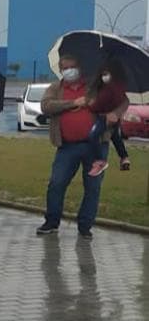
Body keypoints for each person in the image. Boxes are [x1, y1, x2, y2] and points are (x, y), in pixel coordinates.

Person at [37, 55, 128, 240]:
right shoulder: (56, 88)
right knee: (57, 183)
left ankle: (85, 226)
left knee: (93, 187)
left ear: (79, 67)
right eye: (65, 68)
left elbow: (123, 100)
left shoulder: (94, 86)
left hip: (96, 147)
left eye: (72, 67)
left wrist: (115, 113)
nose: (69, 71)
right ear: (61, 70)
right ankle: (52, 222)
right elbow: (46, 106)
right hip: (67, 146)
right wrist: (73, 103)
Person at [86, 61, 128, 177]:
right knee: (116, 136)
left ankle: (100, 161)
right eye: (103, 73)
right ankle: (124, 157)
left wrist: (89, 105)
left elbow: (97, 105)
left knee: (93, 135)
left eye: (106, 73)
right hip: (108, 119)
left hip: (102, 118)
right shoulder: (117, 87)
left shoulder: (109, 89)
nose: (104, 76)